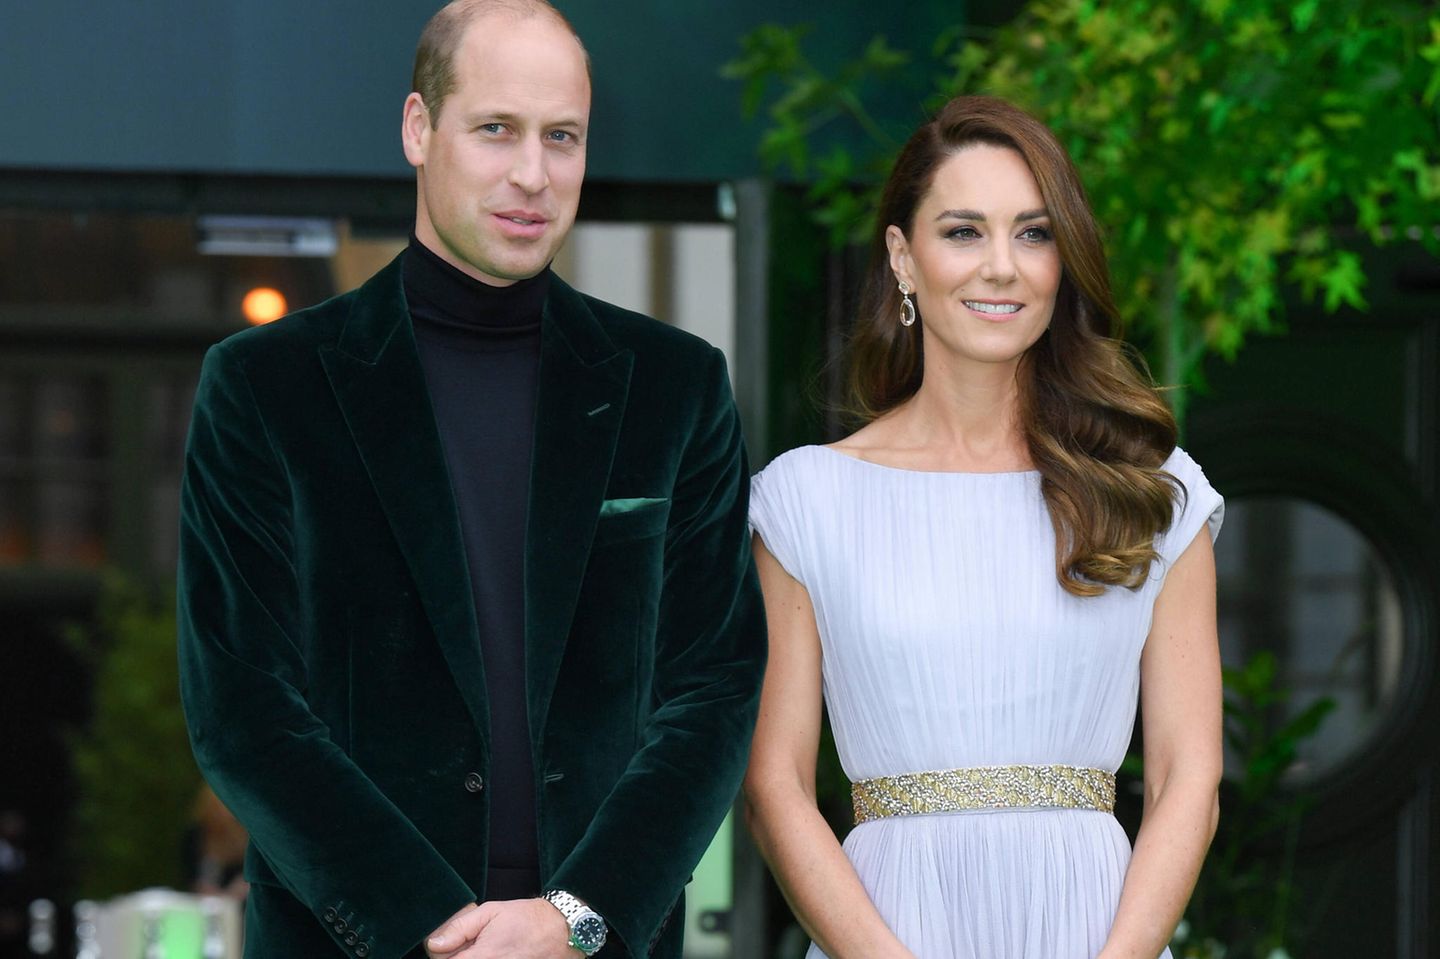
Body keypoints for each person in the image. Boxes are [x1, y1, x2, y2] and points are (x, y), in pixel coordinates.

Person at [176, 2, 766, 957]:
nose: (532, 173)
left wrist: (579, 918)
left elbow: (713, 690)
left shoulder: (676, 387)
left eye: (561, 137)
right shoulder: (264, 387)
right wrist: (432, 927)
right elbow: (242, 707)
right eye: (497, 129)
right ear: (420, 129)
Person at [744, 95, 1223, 959]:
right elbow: (775, 784)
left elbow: (1191, 776)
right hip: (885, 933)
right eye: (964, 231)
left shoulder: (1153, 490)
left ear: (1062, 262)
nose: (1001, 266)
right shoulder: (806, 499)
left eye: (1034, 234)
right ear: (902, 256)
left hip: (1093, 931)